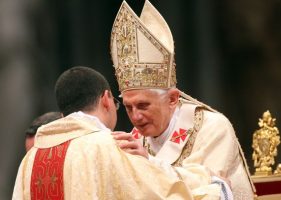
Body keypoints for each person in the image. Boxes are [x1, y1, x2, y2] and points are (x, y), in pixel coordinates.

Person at [110, 1, 255, 199]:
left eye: (143, 105)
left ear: (172, 98)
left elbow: (210, 190)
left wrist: (149, 162)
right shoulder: (136, 139)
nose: (136, 116)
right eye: (128, 107)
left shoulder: (212, 128)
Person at [12, 66, 224, 199]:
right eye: (122, 105)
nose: (135, 117)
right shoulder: (111, 146)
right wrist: (214, 186)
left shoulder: (30, 160)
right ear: (106, 100)